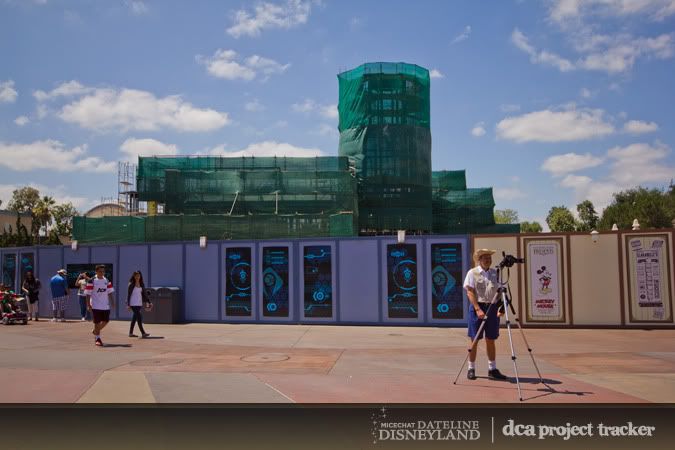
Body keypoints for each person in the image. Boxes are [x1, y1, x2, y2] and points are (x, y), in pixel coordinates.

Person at [463, 249, 508, 381]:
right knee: (474, 339)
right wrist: (477, 309)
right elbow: (470, 292)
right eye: (485, 258)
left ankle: (492, 369)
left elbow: (500, 292)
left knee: (491, 338)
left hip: (492, 307)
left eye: (489, 258)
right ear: (479, 260)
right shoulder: (472, 273)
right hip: (479, 307)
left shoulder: (496, 273)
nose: (488, 260)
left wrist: (501, 308)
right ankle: (471, 368)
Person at [85, 265, 115, 347]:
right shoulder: (92, 280)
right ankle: (97, 338)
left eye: (103, 271)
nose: (102, 273)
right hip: (95, 305)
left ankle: (95, 331)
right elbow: (87, 294)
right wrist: (88, 305)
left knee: (106, 321)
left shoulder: (107, 280)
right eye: (100, 271)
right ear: (96, 271)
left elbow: (110, 292)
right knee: (97, 322)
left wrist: (113, 302)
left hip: (105, 305)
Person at [126, 270, 150, 338]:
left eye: (138, 275)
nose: (137, 277)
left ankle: (130, 333)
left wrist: (148, 301)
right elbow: (128, 295)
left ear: (140, 276)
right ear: (134, 276)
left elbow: (144, 294)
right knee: (139, 317)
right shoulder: (131, 284)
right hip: (133, 304)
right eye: (136, 275)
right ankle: (143, 333)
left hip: (139, 303)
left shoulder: (141, 284)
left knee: (134, 318)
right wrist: (128, 304)